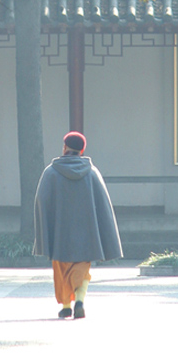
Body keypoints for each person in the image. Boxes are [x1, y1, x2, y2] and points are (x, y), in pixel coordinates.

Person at [33, 131, 123, 319]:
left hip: (59, 234)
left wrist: (46, 228)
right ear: (82, 150)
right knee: (81, 270)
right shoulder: (91, 173)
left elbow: (41, 200)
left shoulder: (51, 172)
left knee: (61, 270)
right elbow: (104, 204)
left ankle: (66, 306)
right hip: (87, 234)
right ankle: (80, 301)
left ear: (64, 148)